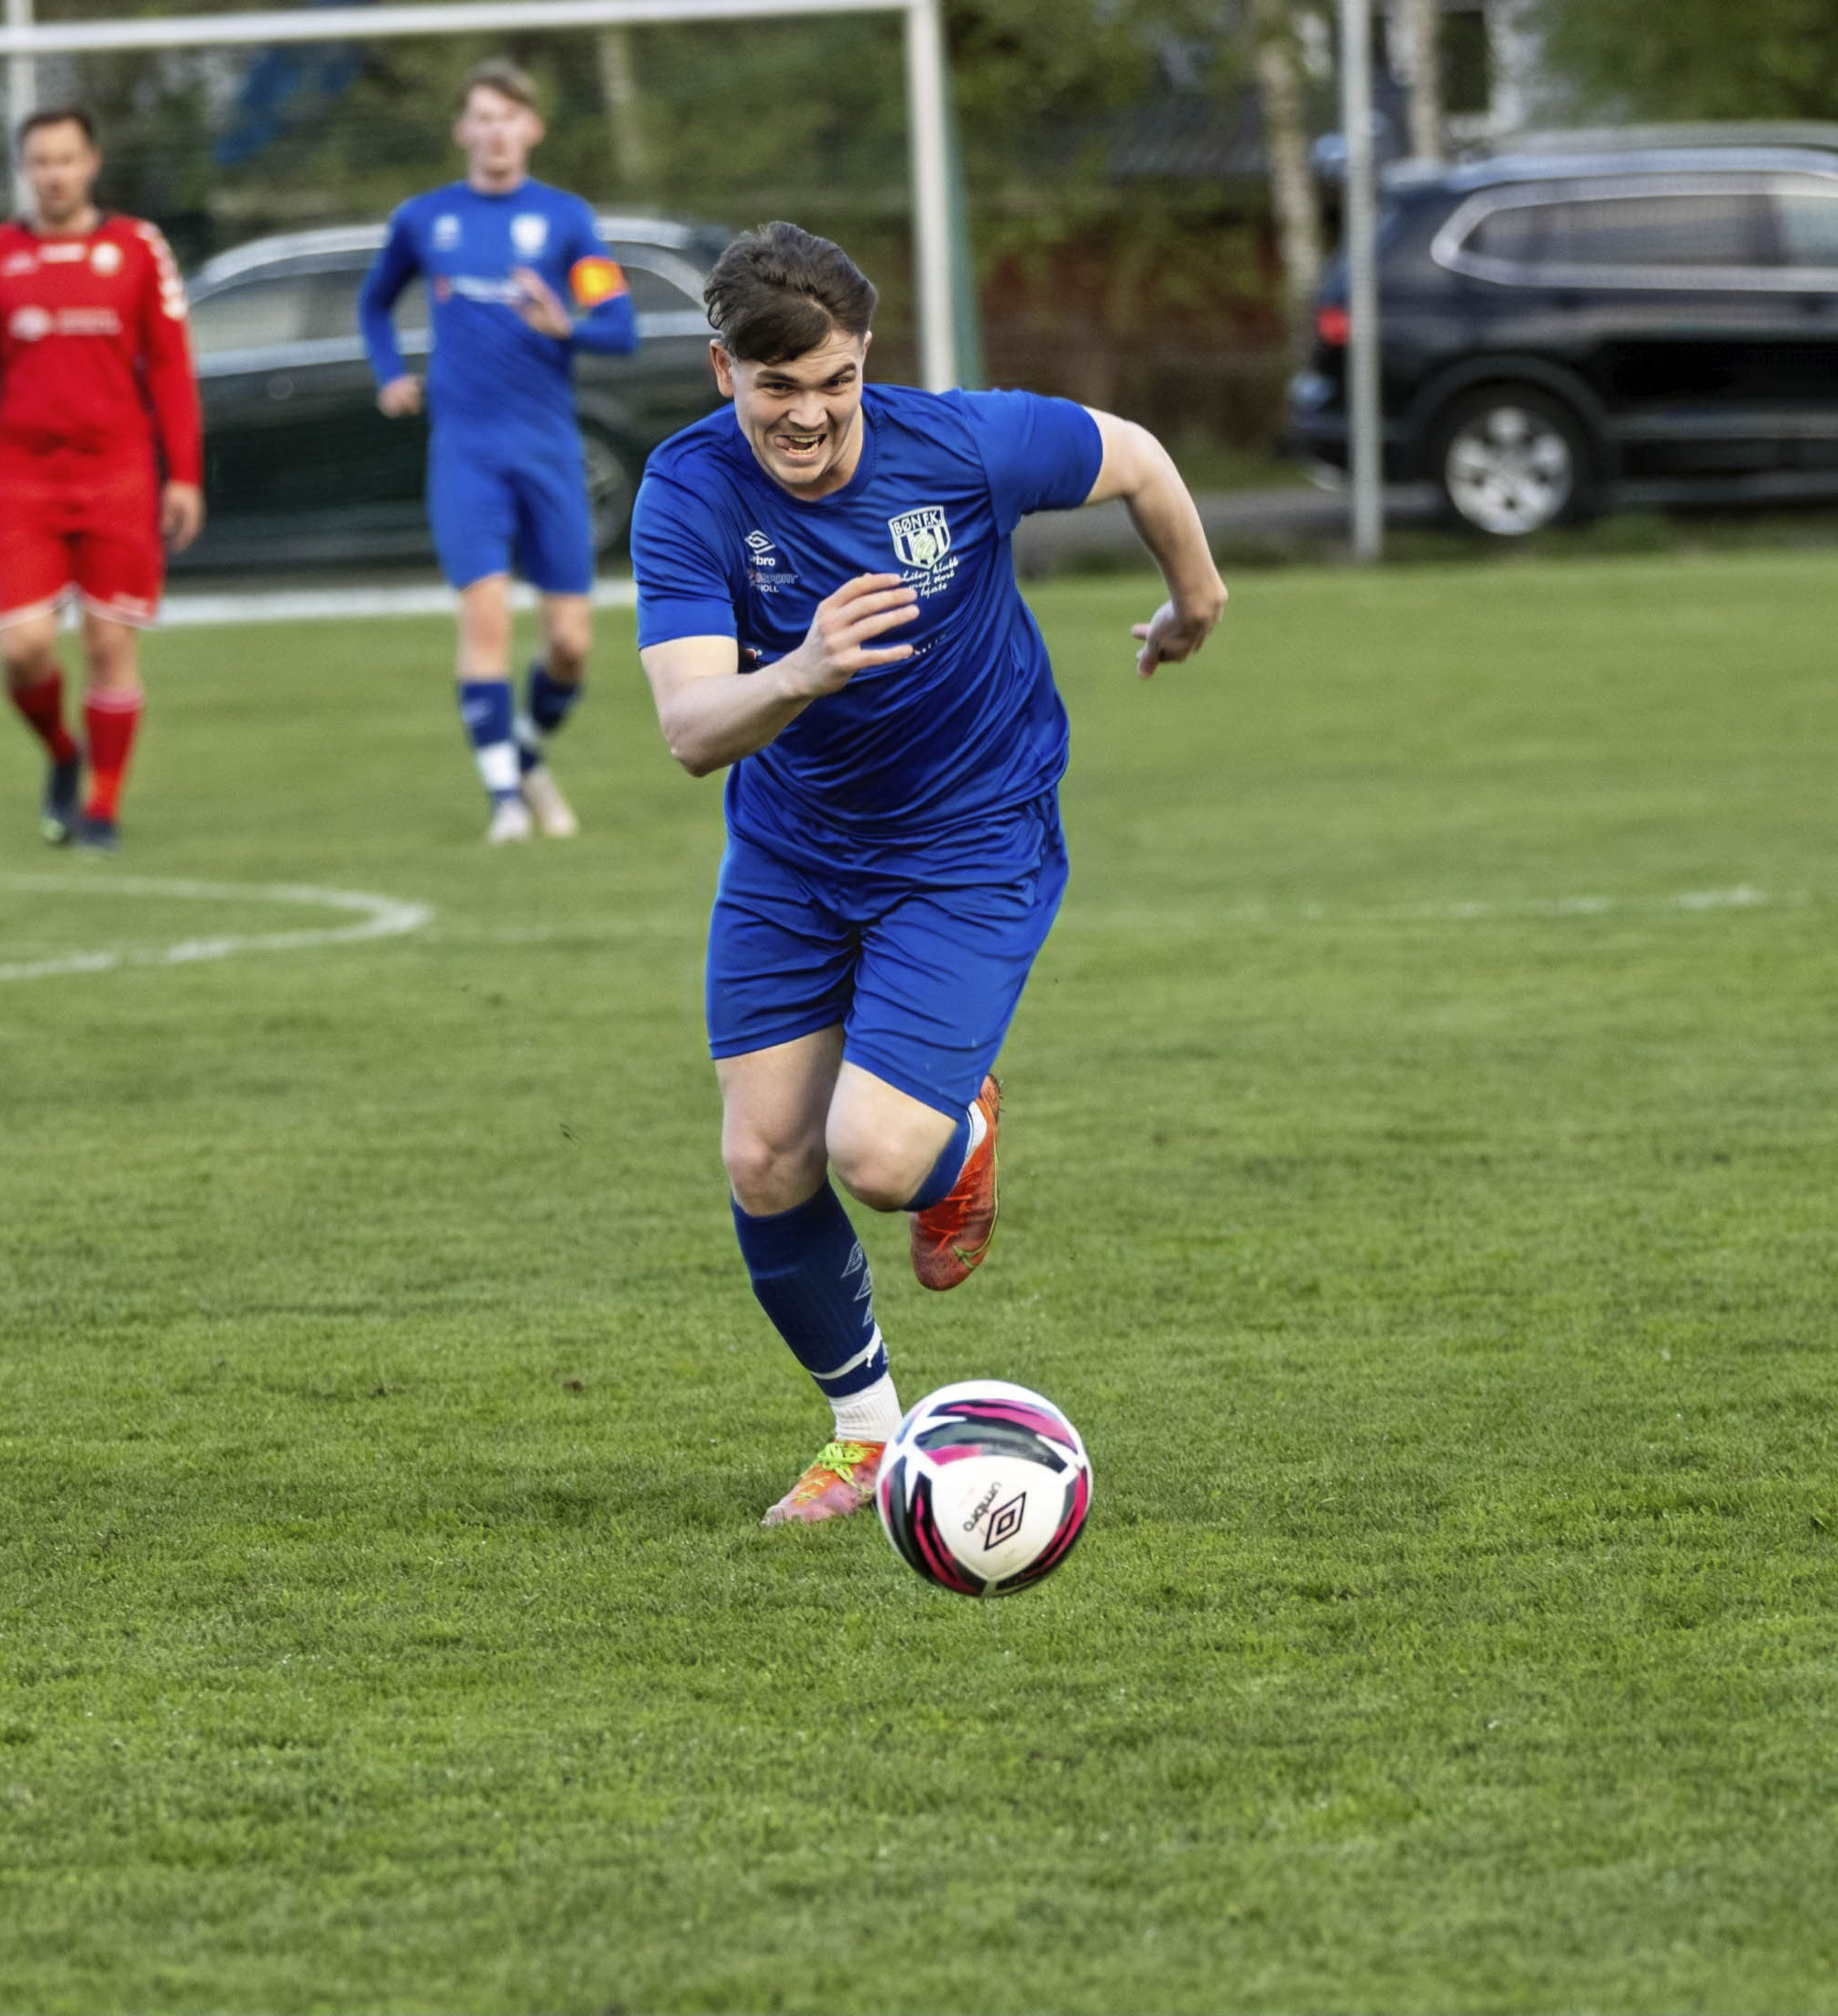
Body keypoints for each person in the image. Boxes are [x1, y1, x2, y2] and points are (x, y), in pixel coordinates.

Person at [631, 223, 1225, 1523]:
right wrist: (800, 669)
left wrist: (1195, 599)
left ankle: (959, 1124)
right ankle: (863, 1436)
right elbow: (688, 731)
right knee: (767, 1160)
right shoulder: (685, 494)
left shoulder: (959, 444)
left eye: (833, 382)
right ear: (719, 369)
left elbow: (1139, 457)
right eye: (776, 388)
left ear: (865, 361)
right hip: (792, 852)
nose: (808, 417)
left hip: (971, 840)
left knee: (882, 1162)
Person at [358, 58, 638, 845]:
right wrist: (390, 375)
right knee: (483, 623)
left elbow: (620, 327)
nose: (494, 131)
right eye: (480, 117)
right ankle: (505, 804)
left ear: (532, 129)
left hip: (548, 451)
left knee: (570, 646)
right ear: (462, 131)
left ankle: (523, 755)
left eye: (508, 116)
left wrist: (567, 325)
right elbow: (375, 302)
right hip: (465, 453)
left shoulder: (566, 221)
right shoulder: (425, 220)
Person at [0, 104, 203, 853]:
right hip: (24, 479)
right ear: (26, 170)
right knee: (22, 648)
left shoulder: (138, 249)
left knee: (107, 641)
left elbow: (173, 368)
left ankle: (103, 809)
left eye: (67, 159)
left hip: (118, 471)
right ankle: (62, 750)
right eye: (41, 162)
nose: (55, 174)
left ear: (92, 163)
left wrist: (184, 473)